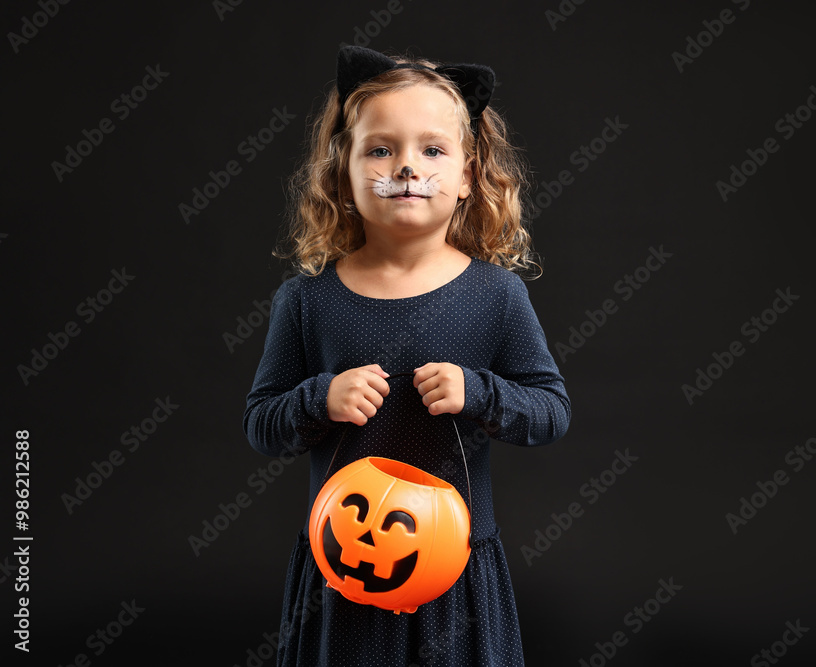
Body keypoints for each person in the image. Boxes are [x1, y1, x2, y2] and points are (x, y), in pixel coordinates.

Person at [242, 45, 571, 666]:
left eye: (433, 150)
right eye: (381, 149)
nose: (407, 168)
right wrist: (320, 398)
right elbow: (262, 426)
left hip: (456, 574)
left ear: (470, 176)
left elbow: (551, 411)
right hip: (344, 567)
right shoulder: (307, 300)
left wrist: (481, 393)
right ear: (343, 172)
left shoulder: (496, 295)